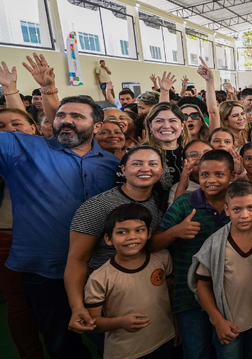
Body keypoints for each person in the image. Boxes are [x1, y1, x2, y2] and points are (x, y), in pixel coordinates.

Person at [0, 59, 119, 359]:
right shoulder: (23, 148)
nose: (66, 120)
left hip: (101, 267)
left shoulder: (113, 165)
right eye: (61, 115)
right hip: (44, 269)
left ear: (97, 126)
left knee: (112, 336)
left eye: (77, 116)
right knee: (60, 342)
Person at [65, 146, 166, 337]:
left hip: (147, 291)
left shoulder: (159, 202)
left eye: (153, 164)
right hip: (109, 296)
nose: (145, 168)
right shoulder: (97, 206)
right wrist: (77, 307)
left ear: (161, 170)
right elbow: (77, 260)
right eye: (137, 163)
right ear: (123, 170)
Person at [150, 150, 237, 359]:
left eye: (219, 174)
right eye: (205, 174)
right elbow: (152, 244)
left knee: (230, 350)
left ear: (232, 176)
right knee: (196, 352)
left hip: (231, 294)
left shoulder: (239, 203)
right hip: (189, 296)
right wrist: (175, 231)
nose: (211, 180)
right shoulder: (184, 203)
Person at [190, 180, 252, 359]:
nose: (244, 215)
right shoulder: (215, 244)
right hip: (228, 325)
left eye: (250, 208)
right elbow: (202, 285)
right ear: (227, 209)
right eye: (237, 209)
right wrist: (218, 321)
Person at [83, 204, 174, 359]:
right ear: (108, 239)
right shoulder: (99, 278)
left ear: (149, 233)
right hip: (126, 352)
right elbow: (92, 324)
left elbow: (171, 296)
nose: (132, 237)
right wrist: (120, 322)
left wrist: (176, 327)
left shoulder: (162, 258)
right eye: (122, 232)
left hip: (165, 341)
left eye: (139, 230)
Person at [0, 107, 45, 359]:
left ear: (33, 129)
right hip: (8, 236)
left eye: (16, 124)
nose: (9, 130)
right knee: (19, 303)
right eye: (2, 127)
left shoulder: (49, 154)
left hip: (48, 236)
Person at [171, 140, 214, 204]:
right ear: (184, 163)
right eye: (194, 155)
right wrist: (182, 186)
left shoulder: (226, 182)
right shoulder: (177, 188)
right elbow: (175, 213)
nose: (201, 158)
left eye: (207, 153)